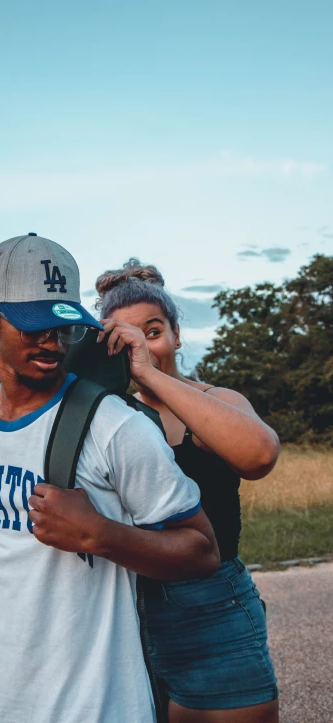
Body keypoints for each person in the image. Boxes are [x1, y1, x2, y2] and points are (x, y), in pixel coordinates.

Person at [0, 234, 220, 723]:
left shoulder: (114, 426)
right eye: (32, 326)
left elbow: (203, 551)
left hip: (99, 706)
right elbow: (14, 555)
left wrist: (101, 534)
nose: (51, 342)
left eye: (61, 327)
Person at [95, 258, 280, 723]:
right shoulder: (110, 418)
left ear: (176, 334)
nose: (142, 346)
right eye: (124, 339)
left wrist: (151, 374)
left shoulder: (219, 401)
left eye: (152, 332)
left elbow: (259, 456)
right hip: (124, 613)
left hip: (212, 609)